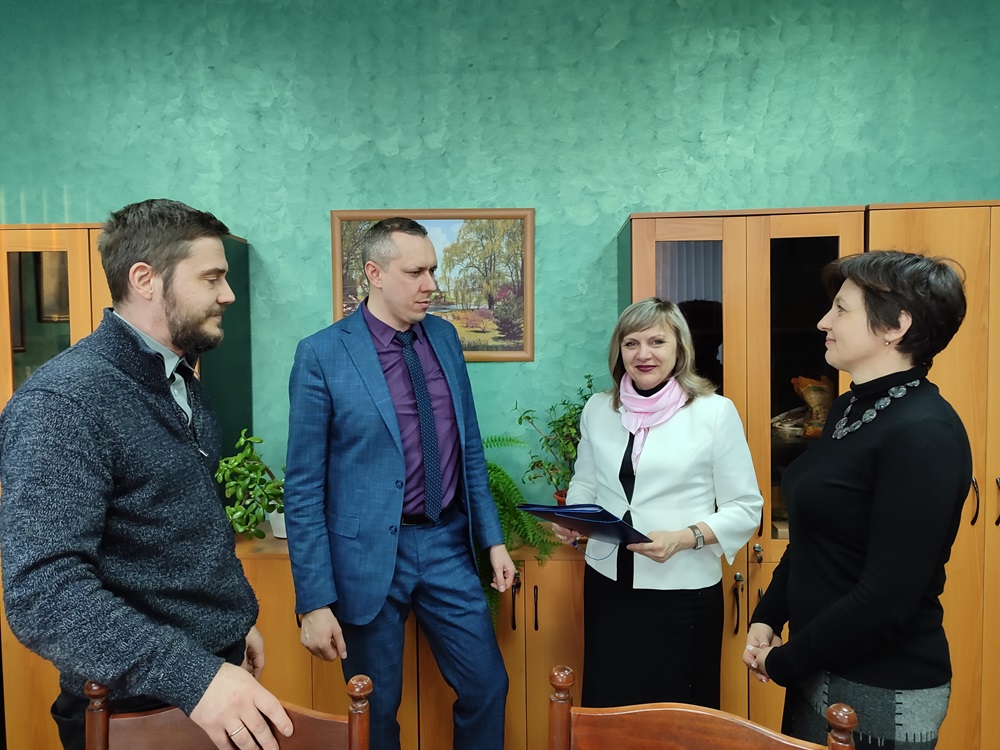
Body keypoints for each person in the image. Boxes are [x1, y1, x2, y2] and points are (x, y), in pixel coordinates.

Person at [0, 199, 291, 750]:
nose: (228, 294)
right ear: (145, 279)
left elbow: (176, 529)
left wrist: (230, 625)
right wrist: (196, 675)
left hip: (211, 680)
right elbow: (44, 595)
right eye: (211, 278)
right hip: (132, 711)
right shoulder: (62, 403)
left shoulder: (179, 379)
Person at [284, 217, 515, 750]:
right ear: (375, 273)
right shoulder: (321, 354)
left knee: (487, 686)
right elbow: (303, 488)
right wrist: (313, 601)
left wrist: (493, 539)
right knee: (376, 710)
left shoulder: (445, 338)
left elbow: (468, 445)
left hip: (445, 543)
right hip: (364, 558)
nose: (431, 284)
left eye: (432, 270)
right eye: (416, 272)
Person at [744, 251, 971, 750]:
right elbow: (813, 535)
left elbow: (888, 598)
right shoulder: (849, 406)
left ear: (896, 327)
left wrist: (786, 660)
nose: (823, 322)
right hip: (817, 665)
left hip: (882, 688)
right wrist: (768, 614)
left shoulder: (926, 432)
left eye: (841, 309)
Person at [551, 296, 762, 709]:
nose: (643, 354)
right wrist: (574, 517)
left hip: (682, 592)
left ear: (680, 348)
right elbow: (586, 483)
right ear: (619, 351)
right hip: (608, 587)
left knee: (680, 717)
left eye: (657, 342)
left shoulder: (714, 412)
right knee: (610, 708)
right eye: (631, 343)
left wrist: (683, 538)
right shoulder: (598, 409)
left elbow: (745, 507)